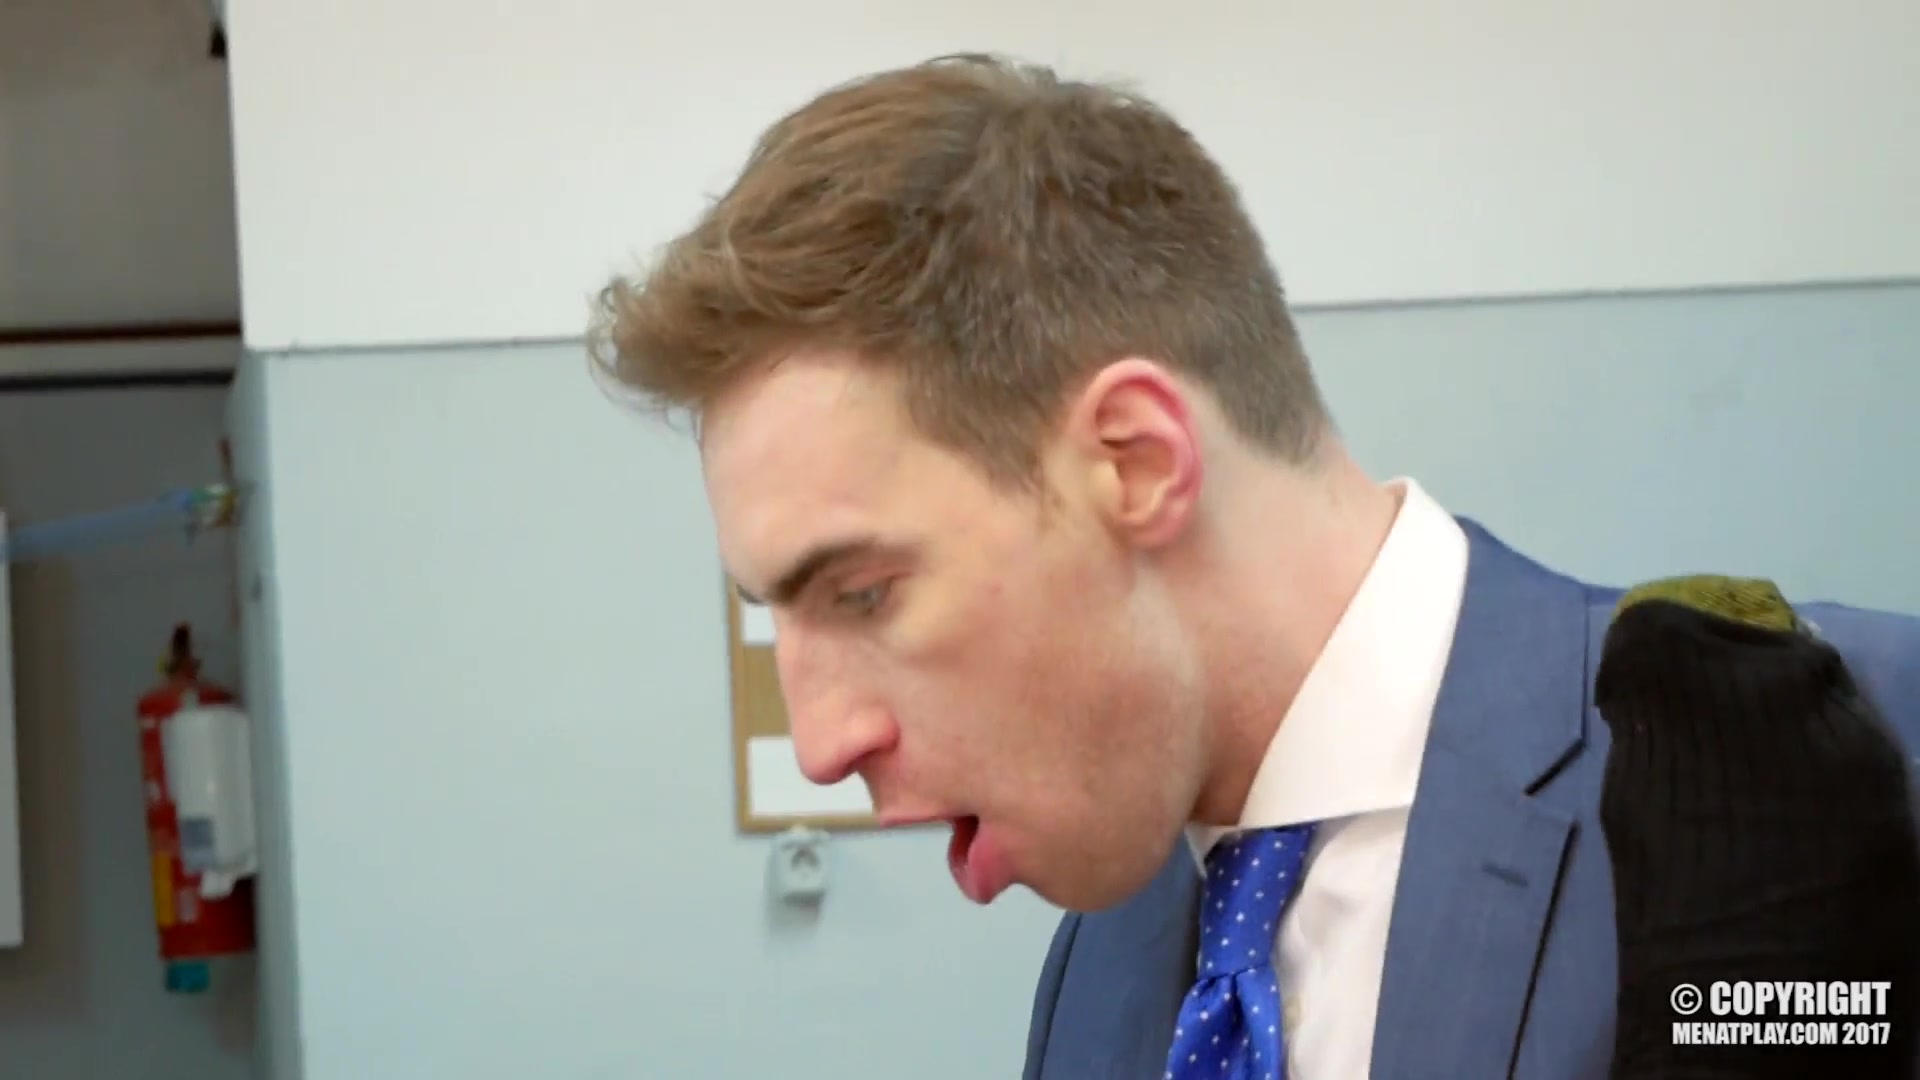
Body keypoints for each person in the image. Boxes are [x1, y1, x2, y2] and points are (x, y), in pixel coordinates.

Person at [587, 53, 1920, 1078]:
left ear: (1133, 463)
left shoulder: (1859, 763)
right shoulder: (1101, 966)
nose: (819, 745)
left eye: (864, 593)